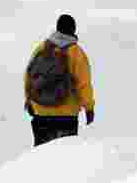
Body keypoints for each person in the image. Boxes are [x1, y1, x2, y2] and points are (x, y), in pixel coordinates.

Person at [24, 14, 95, 147]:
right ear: (73, 30)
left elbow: (29, 76)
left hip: (41, 112)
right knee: (64, 157)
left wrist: (29, 101)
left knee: (40, 157)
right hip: (66, 115)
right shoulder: (76, 53)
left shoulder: (42, 48)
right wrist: (89, 108)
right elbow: (83, 84)